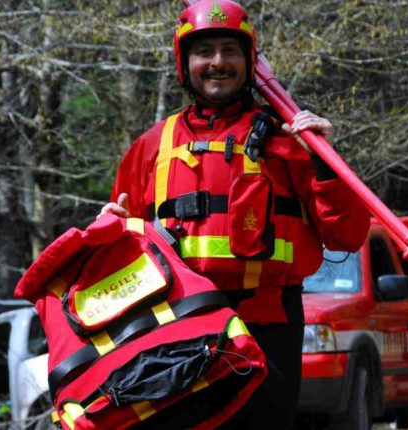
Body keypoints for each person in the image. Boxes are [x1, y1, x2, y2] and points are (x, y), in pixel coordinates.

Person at [100, 0, 370, 428]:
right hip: (176, 328)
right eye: (204, 52)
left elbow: (347, 236)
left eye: (230, 50)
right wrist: (108, 227)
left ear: (249, 61)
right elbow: (121, 244)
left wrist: (324, 160)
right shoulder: (150, 146)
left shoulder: (291, 143)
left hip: (267, 323)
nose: (218, 62)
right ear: (184, 63)